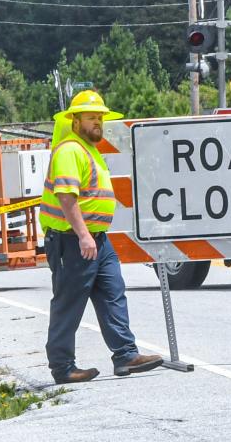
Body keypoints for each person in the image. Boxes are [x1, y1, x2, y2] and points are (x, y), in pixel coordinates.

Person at [40, 90, 163, 384]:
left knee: (113, 292)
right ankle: (62, 367)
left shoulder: (88, 149)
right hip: (73, 240)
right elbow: (66, 198)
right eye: (91, 117)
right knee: (69, 302)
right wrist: (83, 236)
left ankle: (125, 355)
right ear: (74, 120)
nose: (98, 123)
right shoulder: (70, 150)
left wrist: (92, 236)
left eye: (100, 118)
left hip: (97, 239)